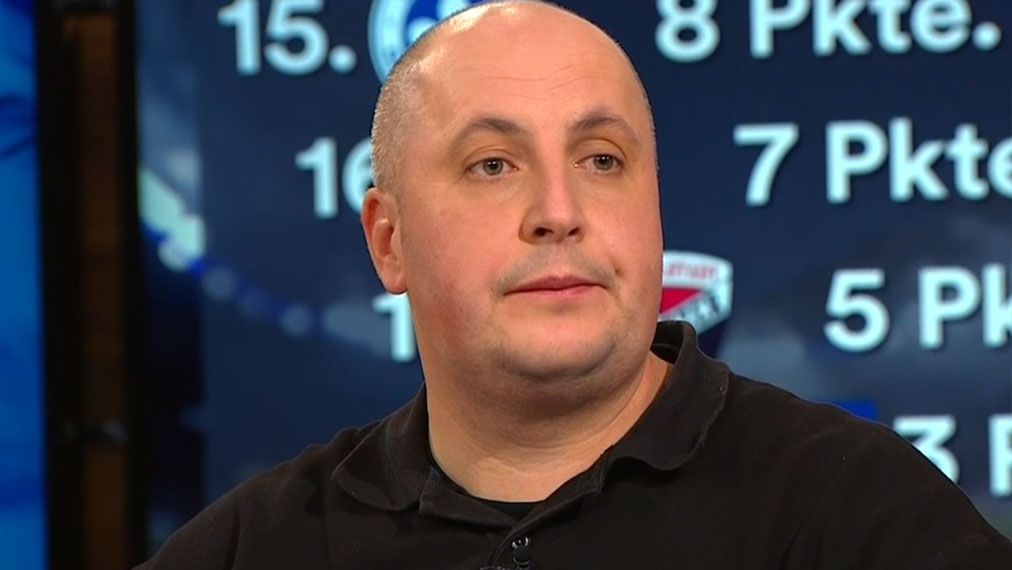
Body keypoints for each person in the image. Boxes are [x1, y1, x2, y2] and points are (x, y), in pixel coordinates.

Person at [137, 2, 1012, 568]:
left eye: (602, 160)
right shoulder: (259, 545)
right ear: (389, 242)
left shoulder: (857, 510)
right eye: (492, 165)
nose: (559, 212)